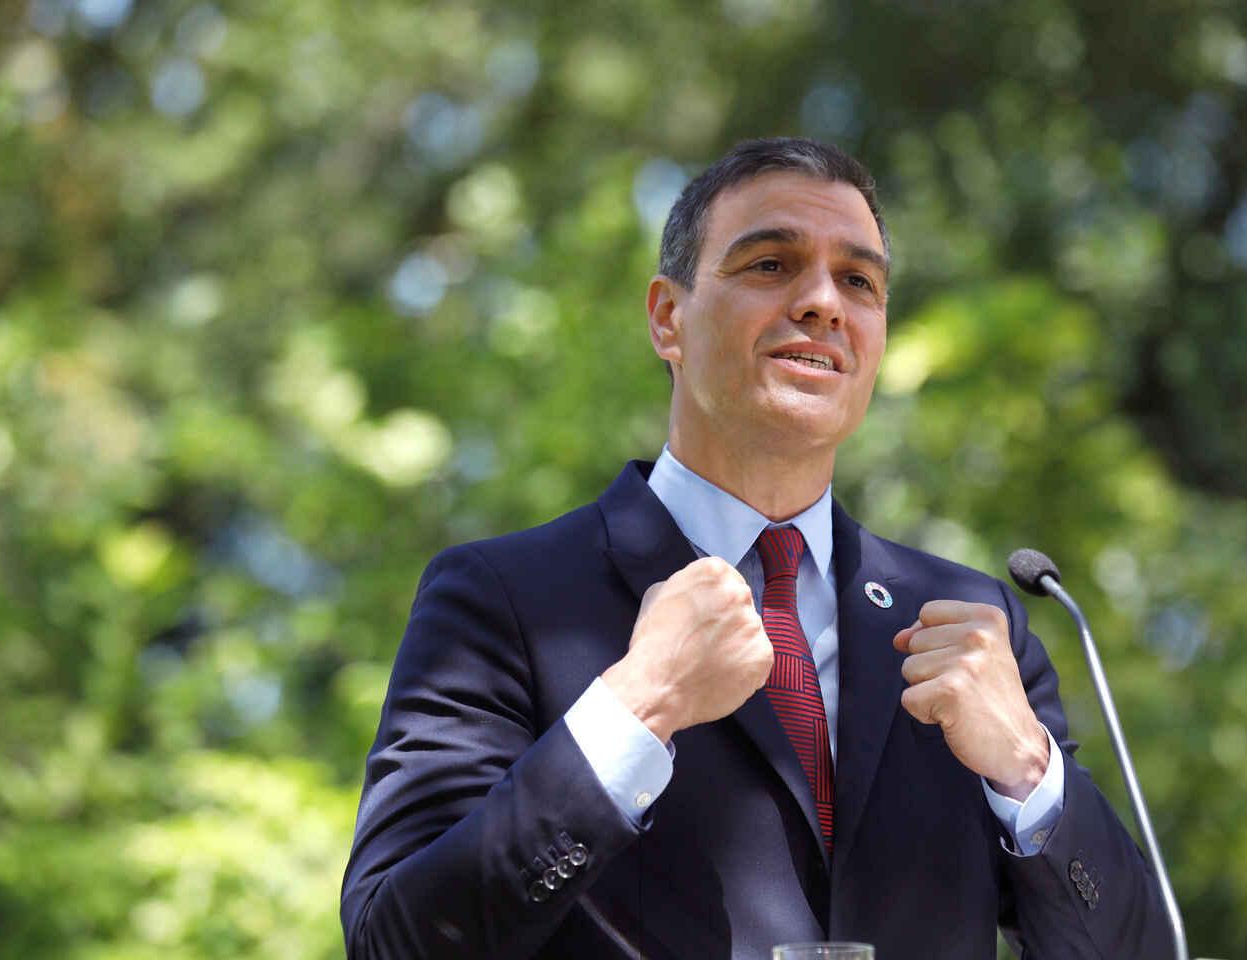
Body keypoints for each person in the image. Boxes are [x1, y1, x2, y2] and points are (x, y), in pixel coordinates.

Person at [341, 138, 1173, 958]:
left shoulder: (977, 625)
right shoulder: (503, 599)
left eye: (859, 281)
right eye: (771, 264)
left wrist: (1027, 772)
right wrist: (636, 708)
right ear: (668, 318)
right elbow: (395, 943)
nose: (824, 303)